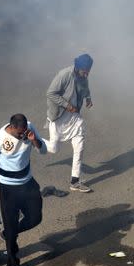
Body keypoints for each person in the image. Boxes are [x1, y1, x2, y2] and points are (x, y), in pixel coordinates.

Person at [0, 113, 47, 266]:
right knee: (11, 226)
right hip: (8, 188)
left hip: (27, 182)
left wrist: (33, 140)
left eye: (24, 132)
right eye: (20, 133)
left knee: (35, 217)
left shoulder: (29, 129)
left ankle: (9, 232)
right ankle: (12, 264)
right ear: (12, 127)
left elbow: (43, 150)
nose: (23, 136)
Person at [45, 54, 94, 192]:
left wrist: (88, 98)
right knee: (54, 149)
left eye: (88, 71)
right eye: (85, 71)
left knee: (80, 146)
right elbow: (50, 93)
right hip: (60, 116)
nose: (87, 74)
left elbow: (85, 85)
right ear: (78, 67)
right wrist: (67, 105)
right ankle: (34, 140)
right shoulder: (64, 74)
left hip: (75, 118)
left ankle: (75, 181)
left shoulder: (83, 75)